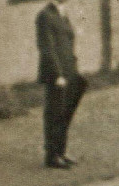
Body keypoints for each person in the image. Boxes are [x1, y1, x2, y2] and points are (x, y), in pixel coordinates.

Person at [36, 0, 86, 169]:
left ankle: (61, 152)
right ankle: (51, 156)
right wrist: (57, 74)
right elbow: (47, 48)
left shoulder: (62, 13)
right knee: (54, 113)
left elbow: (68, 43)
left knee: (65, 113)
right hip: (57, 74)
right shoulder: (45, 15)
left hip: (70, 71)